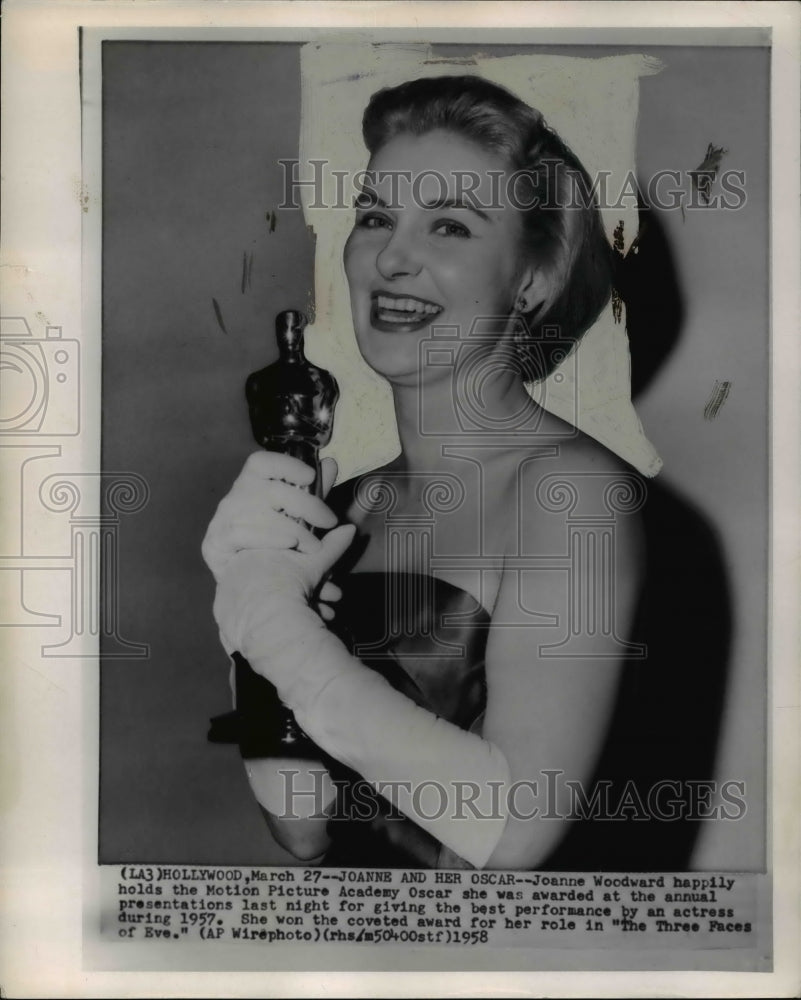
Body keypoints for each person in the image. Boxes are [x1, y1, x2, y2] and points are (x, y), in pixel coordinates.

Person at [203, 76, 729, 870]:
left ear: (533, 277)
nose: (390, 256)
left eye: (448, 225)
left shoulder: (574, 495)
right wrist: (247, 596)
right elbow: (303, 828)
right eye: (375, 215)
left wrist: (273, 631)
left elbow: (513, 832)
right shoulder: (351, 502)